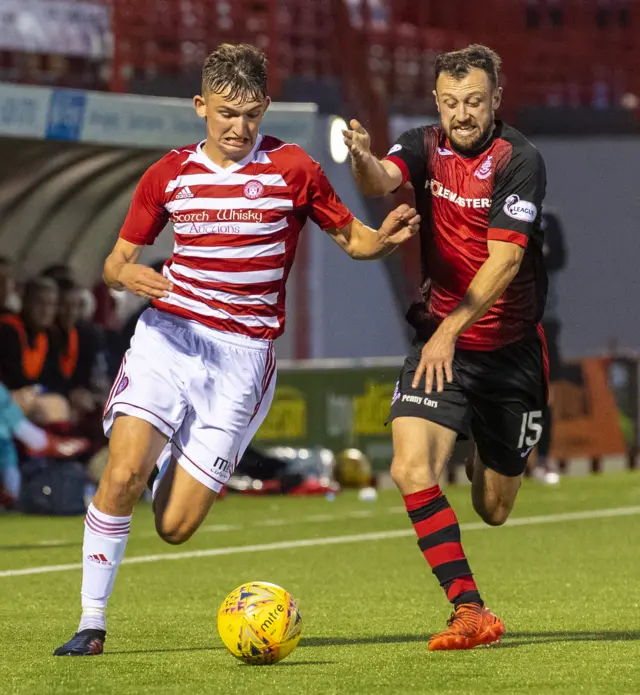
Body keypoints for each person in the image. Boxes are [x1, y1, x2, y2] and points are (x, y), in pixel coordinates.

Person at [53, 42, 420, 656]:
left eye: (250, 114)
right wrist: (128, 276)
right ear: (201, 106)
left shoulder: (294, 168)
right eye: (226, 112)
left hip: (242, 358)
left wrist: (383, 242)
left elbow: (353, 241)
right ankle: (91, 623)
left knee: (173, 527)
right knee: (119, 475)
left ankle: (168, 456)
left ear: (265, 107)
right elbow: (116, 261)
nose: (238, 126)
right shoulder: (169, 174)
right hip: (168, 339)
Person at [344, 44, 548, 650]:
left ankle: (483, 442)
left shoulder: (521, 160)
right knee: (409, 468)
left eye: (475, 102)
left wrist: (449, 331)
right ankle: (469, 611)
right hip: (442, 341)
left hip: (508, 351)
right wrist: (360, 160)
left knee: (494, 507)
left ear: (496, 101)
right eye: (452, 102)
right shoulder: (422, 143)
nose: (463, 114)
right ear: (437, 101)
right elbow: (382, 179)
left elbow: (506, 260)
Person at [531, 208, 566, 484]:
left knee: (544, 390)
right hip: (500, 318)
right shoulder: (493, 211)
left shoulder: (547, 219)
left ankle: (543, 459)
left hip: (544, 317)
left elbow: (559, 257)